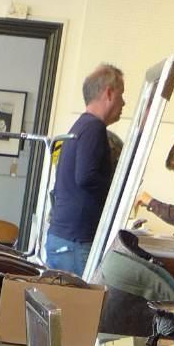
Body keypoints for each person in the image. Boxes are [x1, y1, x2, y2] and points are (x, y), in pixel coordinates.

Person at [45, 63, 125, 276]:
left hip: (64, 239)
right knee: (82, 308)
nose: (123, 102)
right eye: (121, 95)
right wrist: (118, 192)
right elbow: (87, 177)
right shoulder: (94, 128)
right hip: (75, 242)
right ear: (109, 93)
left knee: (67, 306)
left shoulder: (81, 126)